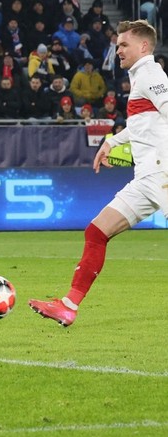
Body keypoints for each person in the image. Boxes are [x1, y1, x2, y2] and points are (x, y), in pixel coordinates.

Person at [29, 21, 168, 327]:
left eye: (124, 45)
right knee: (96, 232)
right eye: (117, 45)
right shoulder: (140, 79)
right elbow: (141, 124)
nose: (118, 50)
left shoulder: (151, 73)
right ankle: (68, 306)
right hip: (145, 178)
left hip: (162, 172)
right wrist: (111, 142)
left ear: (143, 47)